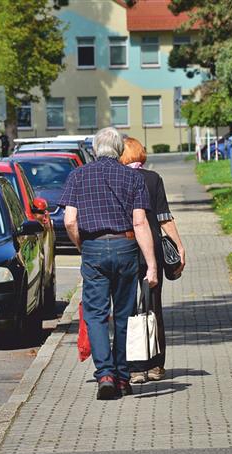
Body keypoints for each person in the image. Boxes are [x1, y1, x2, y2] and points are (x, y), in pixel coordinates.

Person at [59, 127, 158, 400]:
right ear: (118, 150)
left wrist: (83, 246)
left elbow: (69, 220)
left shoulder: (77, 176)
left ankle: (105, 374)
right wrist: (151, 265)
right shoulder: (133, 177)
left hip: (93, 249)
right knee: (124, 315)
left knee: (95, 315)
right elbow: (140, 223)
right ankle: (123, 378)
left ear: (94, 149)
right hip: (126, 248)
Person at [119, 138, 186, 384]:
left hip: (125, 248)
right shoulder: (153, 179)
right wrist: (179, 245)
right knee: (152, 306)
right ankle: (156, 365)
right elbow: (164, 217)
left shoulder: (117, 179)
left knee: (128, 307)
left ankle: (135, 368)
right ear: (141, 154)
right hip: (153, 250)